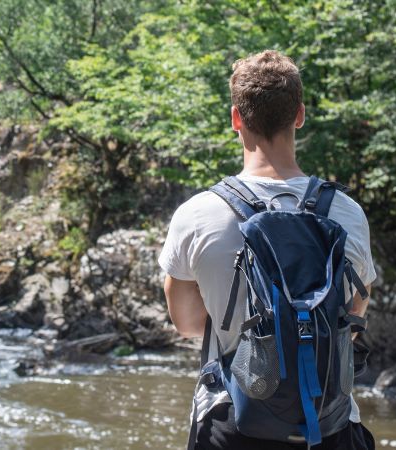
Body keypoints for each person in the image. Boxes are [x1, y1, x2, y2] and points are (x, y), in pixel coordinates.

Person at [157, 50, 378, 449]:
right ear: (299, 115)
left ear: (236, 119)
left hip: (231, 423)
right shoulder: (348, 213)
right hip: (329, 426)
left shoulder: (197, 215)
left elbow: (188, 324)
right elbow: (354, 314)